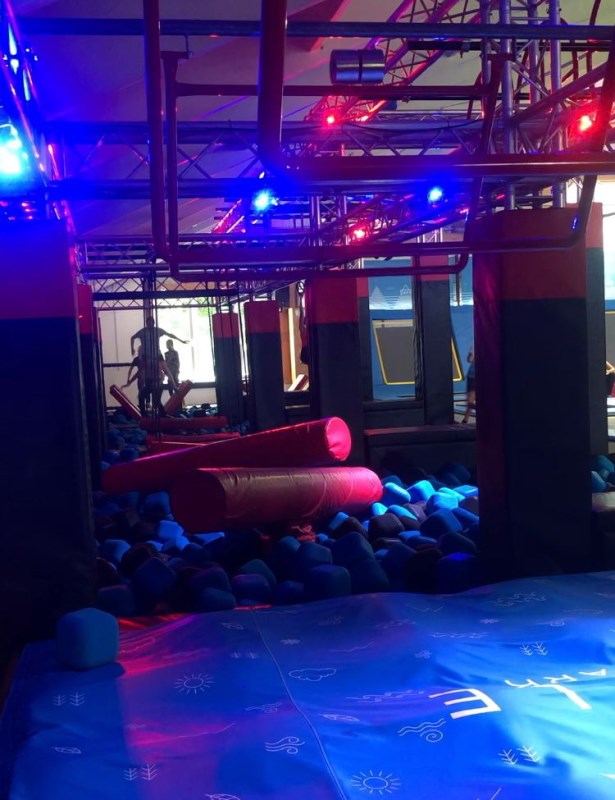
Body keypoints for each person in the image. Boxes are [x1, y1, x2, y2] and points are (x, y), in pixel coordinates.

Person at [138, 351, 177, 416]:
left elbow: (167, 372)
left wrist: (174, 385)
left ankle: (163, 414)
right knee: (141, 396)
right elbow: (142, 373)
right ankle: (143, 414)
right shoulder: (147, 360)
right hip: (149, 383)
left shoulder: (160, 361)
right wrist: (142, 383)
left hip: (157, 383)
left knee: (156, 402)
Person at [461, 347, 476, 424]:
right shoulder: (474, 348)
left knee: (470, 402)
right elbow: (469, 359)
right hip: (471, 377)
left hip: (475, 378)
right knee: (469, 402)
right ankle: (465, 420)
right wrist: (471, 353)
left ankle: (465, 420)